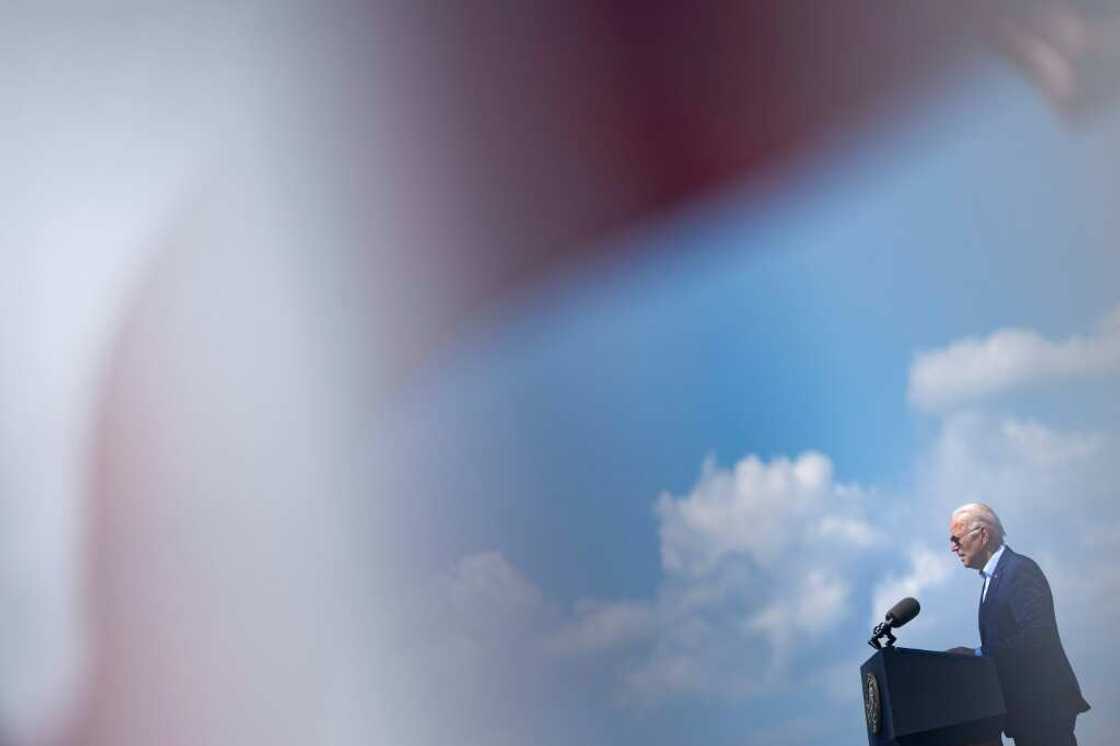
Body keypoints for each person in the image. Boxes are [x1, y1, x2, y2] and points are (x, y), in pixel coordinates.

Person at [949, 503, 1090, 746]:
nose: (953, 547)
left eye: (957, 538)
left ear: (983, 535)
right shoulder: (991, 580)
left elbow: (1037, 636)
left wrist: (977, 655)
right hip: (1025, 714)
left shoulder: (1019, 570)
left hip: (1045, 710)